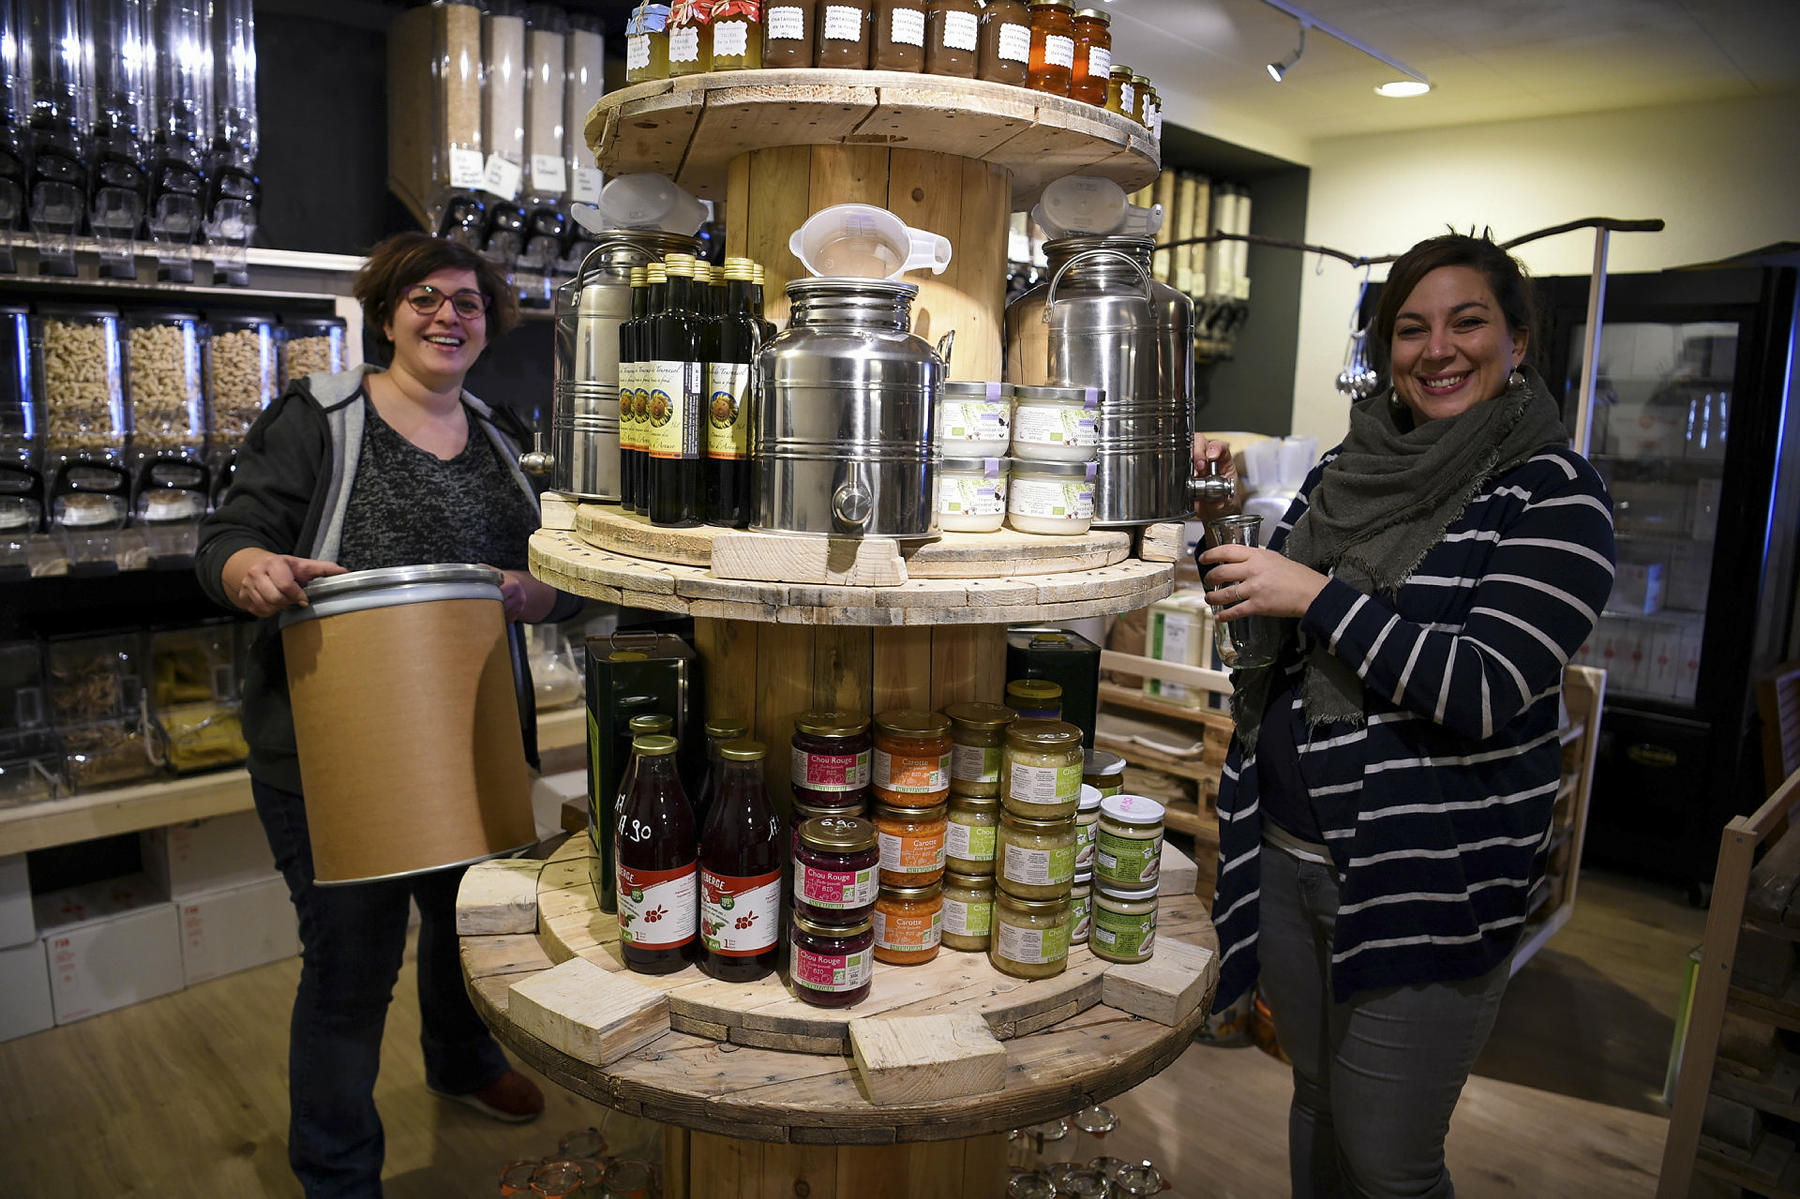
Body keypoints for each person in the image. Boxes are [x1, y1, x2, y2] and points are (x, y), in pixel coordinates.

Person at [1194, 233, 1616, 1198]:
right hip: (1292, 855)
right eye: (1411, 328)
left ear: (1516, 340)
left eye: (1467, 322)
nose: (1438, 348)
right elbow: (1278, 636)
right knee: (1314, 1099)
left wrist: (1312, 595)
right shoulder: (1349, 468)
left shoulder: (1556, 495)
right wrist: (1220, 540)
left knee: (1390, 1157)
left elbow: (1480, 686)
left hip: (1426, 878)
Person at [196, 232, 581, 1198]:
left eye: (469, 302)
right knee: (349, 968)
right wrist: (253, 569)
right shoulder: (319, 417)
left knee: (468, 933)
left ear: (488, 328)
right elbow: (230, 538)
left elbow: (560, 573)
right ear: (387, 312)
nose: (449, 315)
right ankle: (335, 1170)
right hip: (334, 752)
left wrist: (540, 595)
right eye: (426, 297)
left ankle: (461, 1063)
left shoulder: (498, 438)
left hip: (472, 741)